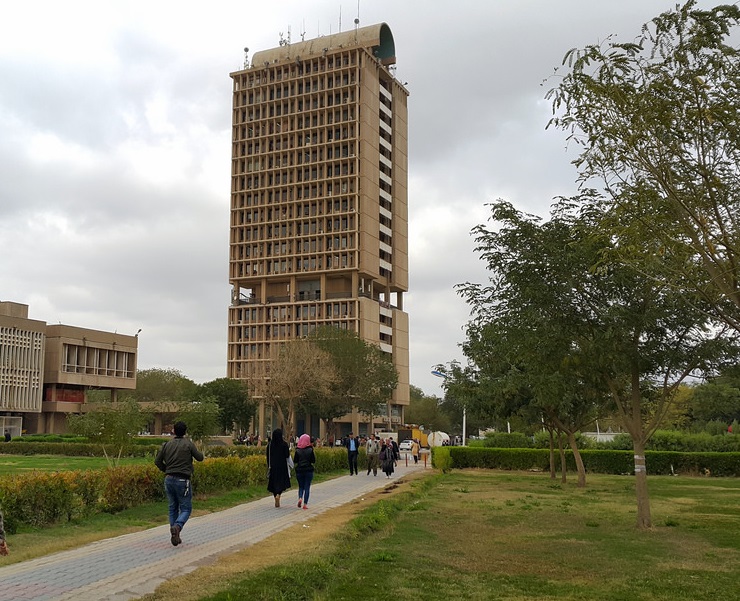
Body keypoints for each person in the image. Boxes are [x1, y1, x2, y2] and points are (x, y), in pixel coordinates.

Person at [154, 421, 204, 547]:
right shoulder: (188, 444)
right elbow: (200, 458)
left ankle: (175, 533)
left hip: (169, 479)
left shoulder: (166, 445)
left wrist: (166, 469)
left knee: (173, 507)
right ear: (185, 432)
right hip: (183, 480)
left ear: (174, 431)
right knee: (186, 508)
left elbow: (157, 461)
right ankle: (177, 526)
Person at [267, 428, 291, 507]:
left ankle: (275, 497)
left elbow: (267, 456)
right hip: (282, 466)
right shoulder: (284, 444)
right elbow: (287, 455)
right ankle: (278, 495)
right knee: (281, 483)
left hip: (273, 466)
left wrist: (269, 465)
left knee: (273, 483)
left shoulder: (270, 445)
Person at [293, 434, 316, 510]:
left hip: (299, 470)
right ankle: (305, 504)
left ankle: (300, 498)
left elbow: (295, 461)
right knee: (307, 487)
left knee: (301, 486)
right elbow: (313, 460)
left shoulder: (297, 450)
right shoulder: (310, 450)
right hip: (308, 470)